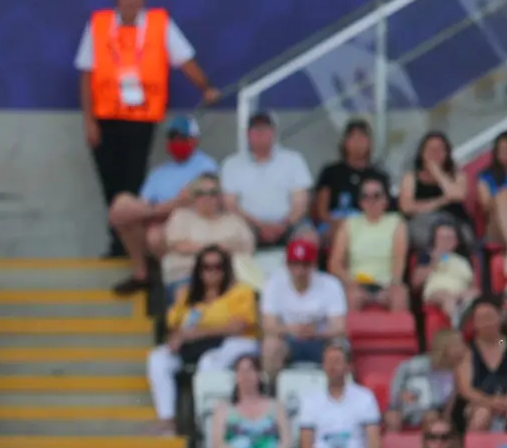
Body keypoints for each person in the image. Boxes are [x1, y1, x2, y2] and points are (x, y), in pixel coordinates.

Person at [77, 0, 217, 254]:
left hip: (141, 119)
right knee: (109, 181)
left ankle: (127, 245)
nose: (132, 1)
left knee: (133, 180)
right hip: (105, 118)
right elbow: (86, 74)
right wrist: (89, 120)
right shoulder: (99, 24)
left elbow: (184, 60)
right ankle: (119, 238)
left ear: (144, 0)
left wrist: (206, 87)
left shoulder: (159, 25)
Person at [107, 115, 219, 295]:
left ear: (194, 140)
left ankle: (174, 281)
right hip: (154, 220)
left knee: (154, 235)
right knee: (122, 203)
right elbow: (141, 204)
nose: (176, 142)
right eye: (172, 138)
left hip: (187, 223)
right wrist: (150, 212)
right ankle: (141, 274)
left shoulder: (205, 165)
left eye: (181, 138)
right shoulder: (159, 172)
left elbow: (187, 200)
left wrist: (152, 211)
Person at [146, 246, 259, 423]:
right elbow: (174, 324)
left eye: (217, 267)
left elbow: (239, 326)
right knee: (158, 358)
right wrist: (177, 337)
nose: (212, 272)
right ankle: (167, 420)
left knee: (209, 363)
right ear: (199, 270)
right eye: (206, 267)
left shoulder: (241, 291)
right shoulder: (186, 293)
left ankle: (206, 424)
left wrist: (198, 332)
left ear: (226, 269)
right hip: (193, 346)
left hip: (229, 344)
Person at [295, 340, 390, 448]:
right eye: (329, 362)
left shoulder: (365, 397)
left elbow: (374, 444)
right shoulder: (310, 400)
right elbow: (306, 446)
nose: (332, 367)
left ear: (348, 366)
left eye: (337, 362)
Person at [221, 112, 312, 254]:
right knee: (229, 237)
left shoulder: (293, 160)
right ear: (248, 134)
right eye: (256, 130)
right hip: (247, 225)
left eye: (265, 129)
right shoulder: (231, 164)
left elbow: (300, 203)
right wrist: (260, 226)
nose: (260, 134)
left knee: (309, 237)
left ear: (273, 132)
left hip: (287, 224)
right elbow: (231, 205)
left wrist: (282, 225)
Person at [258, 237, 347, 380]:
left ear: (314, 265)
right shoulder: (274, 284)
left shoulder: (331, 284)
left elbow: (339, 328)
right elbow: (268, 326)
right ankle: (271, 390)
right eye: (295, 264)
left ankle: (338, 391)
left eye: (305, 265)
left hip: (321, 341)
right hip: (288, 340)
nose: (299, 271)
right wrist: (292, 329)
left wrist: (316, 332)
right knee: (270, 345)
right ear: (287, 265)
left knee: (339, 345)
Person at [328, 177, 408, 313]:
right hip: (356, 282)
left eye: (376, 196)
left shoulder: (396, 223)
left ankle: (396, 334)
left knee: (399, 294)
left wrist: (393, 283)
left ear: (385, 200)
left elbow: (399, 260)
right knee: (351, 296)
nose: (371, 201)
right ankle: (349, 334)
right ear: (360, 202)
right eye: (366, 196)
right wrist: (351, 282)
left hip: (386, 283)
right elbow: (335, 264)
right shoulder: (349, 224)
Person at [398, 132, 473, 252]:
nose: (435, 154)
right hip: (423, 226)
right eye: (431, 149)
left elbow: (457, 195)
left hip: (455, 223)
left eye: (439, 149)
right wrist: (441, 201)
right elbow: (407, 207)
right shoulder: (410, 177)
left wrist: (437, 173)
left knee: (449, 231)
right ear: (422, 153)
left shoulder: (458, 175)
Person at [313, 117, 391, 231]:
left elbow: (384, 211)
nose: (358, 142)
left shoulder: (380, 176)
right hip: (333, 225)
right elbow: (322, 211)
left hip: (368, 226)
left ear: (370, 143)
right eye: (353, 137)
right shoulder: (330, 172)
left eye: (362, 138)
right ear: (344, 142)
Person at [455, 298, 507, 433]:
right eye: (480, 318)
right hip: (478, 404)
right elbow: (466, 389)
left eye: (489, 317)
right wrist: (490, 402)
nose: (485, 323)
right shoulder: (468, 351)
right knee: (482, 414)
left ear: (500, 317)